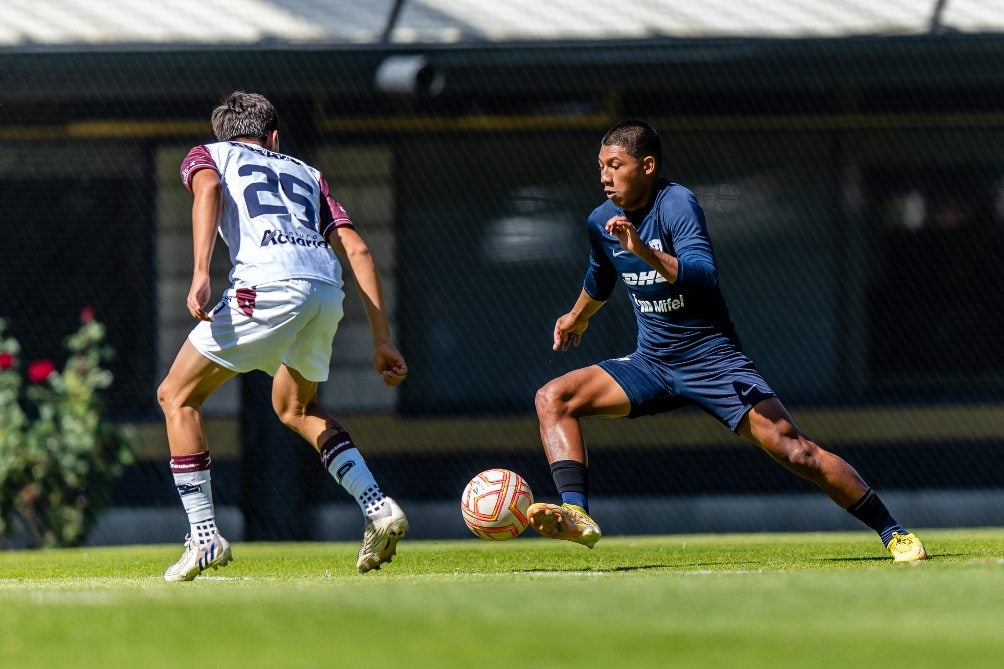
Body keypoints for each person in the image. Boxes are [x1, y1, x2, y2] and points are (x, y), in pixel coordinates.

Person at [526, 120, 926, 562]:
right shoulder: (600, 221)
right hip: (651, 363)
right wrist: (576, 316)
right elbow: (600, 276)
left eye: (615, 165)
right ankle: (577, 514)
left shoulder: (676, 203)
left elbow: (703, 276)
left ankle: (894, 531)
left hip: (712, 361)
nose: (604, 175)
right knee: (554, 397)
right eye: (601, 165)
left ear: (647, 166)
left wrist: (643, 251)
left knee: (796, 451)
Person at [157, 91, 409, 581]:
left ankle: (204, 536)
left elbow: (207, 189)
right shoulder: (308, 173)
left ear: (224, 132)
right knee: (295, 408)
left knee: (175, 396)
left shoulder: (209, 153)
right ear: (274, 137)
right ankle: (378, 507)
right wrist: (382, 339)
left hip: (266, 285)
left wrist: (201, 272)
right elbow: (357, 250)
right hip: (323, 289)